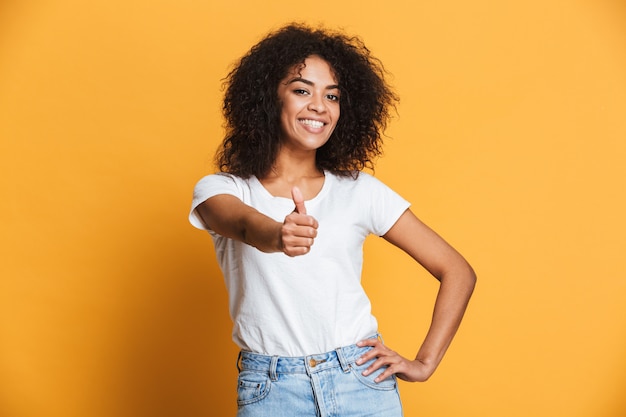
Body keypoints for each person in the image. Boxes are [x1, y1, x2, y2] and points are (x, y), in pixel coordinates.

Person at [189, 23, 476, 417]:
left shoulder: (360, 191)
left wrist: (424, 363)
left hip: (361, 381)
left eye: (333, 95)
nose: (320, 106)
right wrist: (278, 234)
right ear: (269, 98)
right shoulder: (222, 189)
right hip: (272, 390)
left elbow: (457, 271)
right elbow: (240, 224)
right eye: (302, 90)